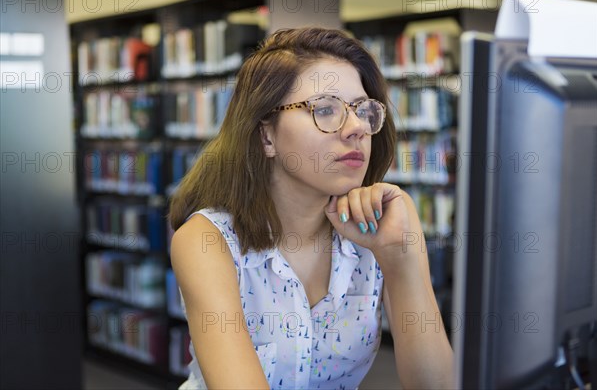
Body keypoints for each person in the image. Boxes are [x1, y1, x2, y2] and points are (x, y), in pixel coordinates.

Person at [169, 27, 454, 389]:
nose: (356, 129)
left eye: (363, 111)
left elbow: (437, 386)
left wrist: (402, 258)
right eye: (325, 109)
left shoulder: (375, 232)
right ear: (266, 136)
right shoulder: (207, 242)